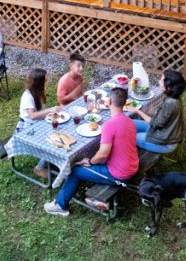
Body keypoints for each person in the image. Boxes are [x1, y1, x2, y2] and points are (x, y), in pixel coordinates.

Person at [44, 87, 138, 216]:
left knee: (75, 170)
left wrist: (89, 161)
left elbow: (103, 154)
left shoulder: (109, 125)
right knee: (89, 160)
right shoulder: (129, 121)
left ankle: (60, 205)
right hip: (132, 166)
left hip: (119, 174)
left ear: (110, 101)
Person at [124, 70, 185, 153]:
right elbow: (165, 118)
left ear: (169, 86)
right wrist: (153, 112)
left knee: (132, 137)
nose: (159, 81)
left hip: (166, 142)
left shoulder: (170, 103)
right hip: (164, 132)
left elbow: (155, 123)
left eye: (161, 79)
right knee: (130, 123)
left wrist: (138, 111)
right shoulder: (175, 97)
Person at [19, 68, 61, 179]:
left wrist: (50, 115)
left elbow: (39, 113)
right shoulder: (27, 96)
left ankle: (54, 159)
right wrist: (50, 110)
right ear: (39, 82)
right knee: (51, 140)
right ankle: (40, 167)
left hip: (38, 124)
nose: (47, 81)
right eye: (45, 80)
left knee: (59, 131)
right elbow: (32, 116)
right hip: (26, 129)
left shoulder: (38, 92)